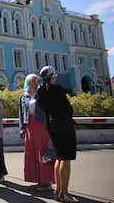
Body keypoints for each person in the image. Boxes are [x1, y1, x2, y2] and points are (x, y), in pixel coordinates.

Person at [37, 66, 79, 203]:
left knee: (59, 157)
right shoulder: (57, 89)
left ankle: (58, 190)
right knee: (66, 157)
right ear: (52, 76)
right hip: (64, 126)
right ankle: (64, 192)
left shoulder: (41, 91)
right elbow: (68, 109)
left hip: (51, 126)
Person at [19, 74, 54, 191]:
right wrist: (22, 128)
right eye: (33, 80)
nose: (35, 82)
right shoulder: (24, 96)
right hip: (29, 126)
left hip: (41, 125)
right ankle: (37, 180)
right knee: (31, 153)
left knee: (42, 152)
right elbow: (21, 113)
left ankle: (46, 182)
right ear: (28, 82)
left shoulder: (42, 94)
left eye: (36, 80)